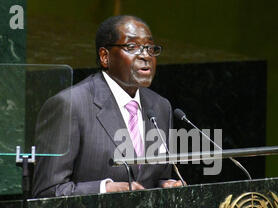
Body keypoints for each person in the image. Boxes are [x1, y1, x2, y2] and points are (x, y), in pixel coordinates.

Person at [32, 15, 183, 198]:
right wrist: (105, 189)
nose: (145, 56)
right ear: (105, 57)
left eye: (150, 48)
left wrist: (166, 185)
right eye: (132, 47)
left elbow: (151, 178)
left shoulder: (160, 107)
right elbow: (47, 192)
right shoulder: (71, 105)